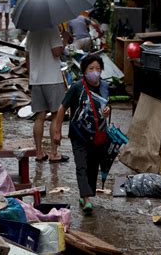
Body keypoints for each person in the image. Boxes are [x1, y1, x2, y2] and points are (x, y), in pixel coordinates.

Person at [53, 54, 111, 215]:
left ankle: (85, 194)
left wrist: (108, 111)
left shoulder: (105, 87)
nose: (95, 72)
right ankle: (86, 199)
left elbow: (106, 106)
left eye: (98, 69)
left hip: (98, 134)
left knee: (93, 167)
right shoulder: (77, 87)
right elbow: (62, 108)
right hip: (78, 134)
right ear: (84, 71)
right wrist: (57, 132)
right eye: (91, 69)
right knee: (82, 166)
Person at [25, 27, 70, 163]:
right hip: (52, 79)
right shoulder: (51, 29)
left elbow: (27, 56)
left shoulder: (30, 32)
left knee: (40, 116)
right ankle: (54, 153)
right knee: (56, 115)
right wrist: (65, 40)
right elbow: (57, 52)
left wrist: (31, 76)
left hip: (36, 79)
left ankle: (39, 153)